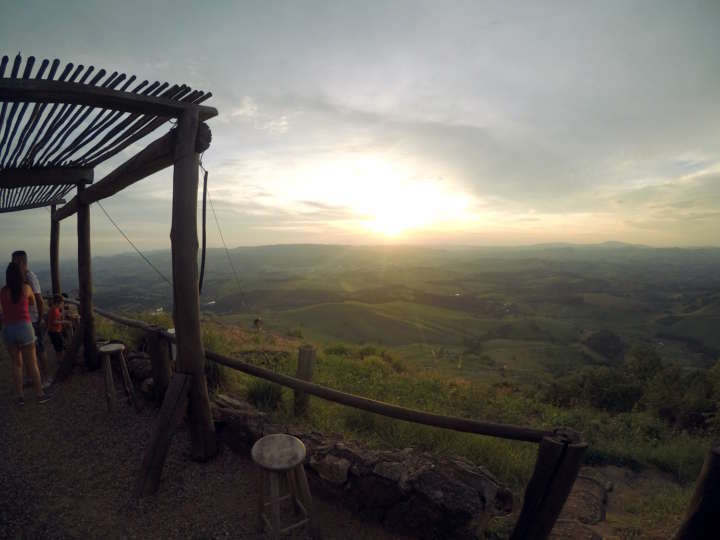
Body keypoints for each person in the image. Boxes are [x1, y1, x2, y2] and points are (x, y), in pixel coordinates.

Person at [0, 262, 51, 405]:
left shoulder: (3, 291)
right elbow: (32, 302)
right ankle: (40, 394)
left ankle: (20, 397)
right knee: (32, 363)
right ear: (20, 275)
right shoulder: (26, 288)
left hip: (8, 329)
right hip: (24, 327)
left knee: (16, 364)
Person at [11, 250, 48, 386]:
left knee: (39, 350)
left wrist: (40, 318)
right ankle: (32, 378)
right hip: (25, 320)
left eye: (13, 261)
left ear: (20, 262)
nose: (12, 264)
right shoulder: (19, 278)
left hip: (33, 319)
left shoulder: (30, 277)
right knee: (27, 353)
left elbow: (39, 300)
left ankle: (46, 377)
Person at [47, 294, 65, 375]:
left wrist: (61, 314)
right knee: (58, 347)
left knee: (59, 345)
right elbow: (54, 321)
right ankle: (60, 361)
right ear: (58, 302)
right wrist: (64, 322)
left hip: (55, 331)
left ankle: (60, 360)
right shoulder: (54, 310)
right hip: (54, 331)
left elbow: (56, 318)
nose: (62, 304)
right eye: (62, 303)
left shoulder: (55, 309)